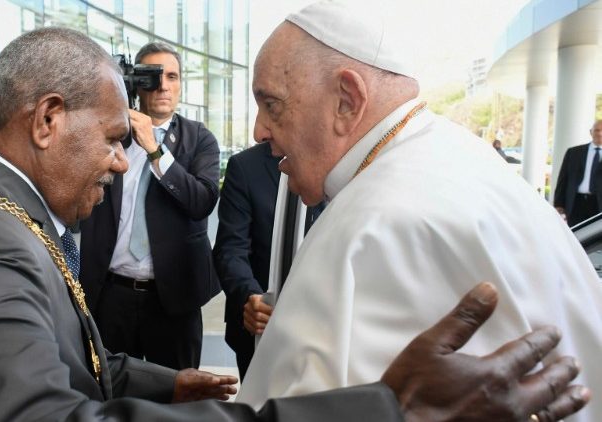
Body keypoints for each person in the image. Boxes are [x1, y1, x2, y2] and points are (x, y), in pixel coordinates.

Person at [0, 26, 589, 422]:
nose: (120, 164)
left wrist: (174, 383)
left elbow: (66, 356)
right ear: (47, 119)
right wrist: (384, 409)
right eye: (114, 139)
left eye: (273, 106)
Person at [236, 3, 602, 421]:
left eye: (272, 104)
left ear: (346, 100)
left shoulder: (376, 223)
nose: (259, 131)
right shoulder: (457, 154)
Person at [80, 42, 220, 370]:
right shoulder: (105, 136)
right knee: (110, 395)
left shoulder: (199, 139)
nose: (163, 86)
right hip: (110, 294)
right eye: (152, 76)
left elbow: (201, 202)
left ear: (181, 84)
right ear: (135, 83)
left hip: (172, 298)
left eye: (172, 76)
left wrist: (154, 148)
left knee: (177, 396)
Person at [213, 142, 323, 379]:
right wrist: (249, 296)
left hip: (322, 328)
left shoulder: (342, 164)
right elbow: (230, 249)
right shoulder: (245, 166)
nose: (259, 130)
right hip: (257, 328)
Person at [554, 120, 602, 226]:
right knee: (575, 234)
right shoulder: (574, 152)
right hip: (576, 202)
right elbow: (563, 179)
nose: (600, 133)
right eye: (597, 130)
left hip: (598, 205)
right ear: (591, 132)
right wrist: (558, 203)